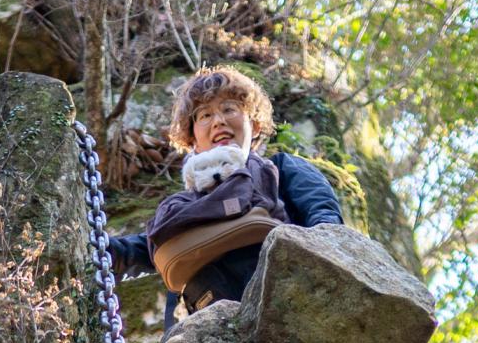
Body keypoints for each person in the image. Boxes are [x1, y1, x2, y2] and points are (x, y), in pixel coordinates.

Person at [107, 67, 344, 326]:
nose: (218, 121)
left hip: (284, 299)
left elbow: (324, 219)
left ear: (253, 125)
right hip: (207, 322)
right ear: (193, 140)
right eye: (205, 115)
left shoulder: (282, 168)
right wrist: (108, 252)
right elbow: (148, 247)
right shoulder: (189, 204)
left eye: (229, 109)